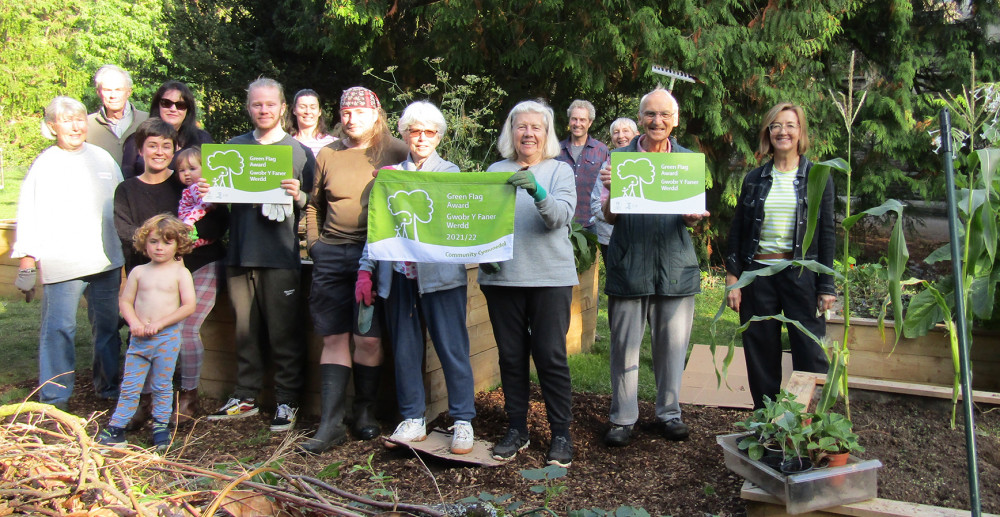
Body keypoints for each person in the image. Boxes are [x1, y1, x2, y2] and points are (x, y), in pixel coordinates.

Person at [356, 101, 476, 455]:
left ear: (438, 136)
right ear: (405, 134)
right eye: (414, 131)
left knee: (453, 349)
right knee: (406, 351)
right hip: (399, 277)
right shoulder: (389, 176)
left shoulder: (450, 173)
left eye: (429, 132)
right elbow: (376, 229)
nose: (421, 138)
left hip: (440, 280)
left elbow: (464, 225)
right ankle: (412, 418)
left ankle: (463, 420)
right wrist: (366, 268)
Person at [599, 88, 709, 447]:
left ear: (674, 120)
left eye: (664, 115)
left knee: (673, 346)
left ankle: (669, 413)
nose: (656, 121)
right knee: (624, 346)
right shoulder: (619, 159)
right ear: (640, 117)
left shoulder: (687, 162)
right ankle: (623, 417)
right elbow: (609, 216)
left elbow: (691, 218)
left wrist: (693, 218)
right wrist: (613, 192)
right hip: (630, 263)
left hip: (675, 265)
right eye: (649, 114)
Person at [300, 86, 408, 454]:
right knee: (333, 337)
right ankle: (329, 424)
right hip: (331, 255)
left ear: (376, 114)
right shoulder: (327, 153)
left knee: (369, 338)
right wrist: (315, 244)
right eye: (346, 112)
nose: (351, 118)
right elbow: (313, 203)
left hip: (374, 257)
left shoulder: (394, 150)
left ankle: (364, 413)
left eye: (360, 112)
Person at [206, 78, 314, 435]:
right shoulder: (232, 149)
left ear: (283, 108)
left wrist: (299, 197)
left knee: (284, 333)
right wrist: (208, 192)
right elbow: (218, 208)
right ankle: (246, 396)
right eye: (257, 104)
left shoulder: (298, 152)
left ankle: (287, 399)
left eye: (270, 104)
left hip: (280, 256)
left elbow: (312, 204)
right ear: (248, 107)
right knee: (243, 331)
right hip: (239, 253)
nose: (263, 110)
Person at [480, 99, 578, 468]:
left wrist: (537, 190)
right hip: (503, 279)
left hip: (550, 278)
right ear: (511, 132)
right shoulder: (496, 170)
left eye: (537, 127)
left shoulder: (560, 172)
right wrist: (482, 250)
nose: (529, 133)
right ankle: (517, 429)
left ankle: (561, 434)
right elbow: (483, 219)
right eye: (522, 127)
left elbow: (559, 218)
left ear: (547, 134)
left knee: (551, 356)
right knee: (511, 357)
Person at [12, 96, 125, 410]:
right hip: (62, 261)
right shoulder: (45, 165)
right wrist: (26, 262)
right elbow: (29, 213)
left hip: (106, 259)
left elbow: (121, 205)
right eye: (66, 120)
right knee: (60, 328)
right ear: (52, 127)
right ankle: (55, 396)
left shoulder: (103, 159)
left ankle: (108, 387)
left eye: (79, 119)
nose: (75, 126)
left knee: (107, 327)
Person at [724, 102, 835, 410]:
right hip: (758, 275)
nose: (783, 131)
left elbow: (827, 233)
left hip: (801, 275)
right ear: (768, 132)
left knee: (809, 351)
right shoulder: (754, 179)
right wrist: (733, 277)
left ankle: (807, 422)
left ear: (800, 133)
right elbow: (739, 230)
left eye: (790, 125)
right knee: (760, 351)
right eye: (776, 125)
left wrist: (826, 285)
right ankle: (767, 422)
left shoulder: (818, 177)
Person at [97, 215, 196, 449]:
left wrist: (161, 323)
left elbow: (188, 306)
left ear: (178, 245)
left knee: (162, 385)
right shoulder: (138, 272)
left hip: (166, 339)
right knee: (131, 385)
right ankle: (117, 428)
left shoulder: (181, 273)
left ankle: (161, 426)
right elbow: (126, 301)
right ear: (144, 243)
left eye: (167, 242)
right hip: (140, 340)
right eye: (153, 242)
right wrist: (133, 323)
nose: (159, 247)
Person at [173, 147, 229, 424]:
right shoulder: (181, 193)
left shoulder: (211, 192)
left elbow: (217, 222)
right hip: (175, 265)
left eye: (192, 169)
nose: (187, 175)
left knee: (187, 328)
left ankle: (188, 395)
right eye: (182, 170)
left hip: (206, 262)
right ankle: (159, 393)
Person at [121, 81, 214, 179]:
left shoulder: (201, 139)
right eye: (166, 103)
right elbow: (127, 180)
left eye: (180, 105)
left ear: (188, 110)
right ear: (158, 106)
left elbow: (212, 178)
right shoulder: (136, 139)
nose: (173, 109)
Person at [556, 100, 610, 233]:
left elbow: (605, 188)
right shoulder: (556, 150)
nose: (577, 124)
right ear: (569, 121)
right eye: (574, 119)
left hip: (591, 222)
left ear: (590, 122)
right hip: (562, 220)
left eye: (582, 120)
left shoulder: (601, 150)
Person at [590, 118, 639, 260]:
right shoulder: (607, 166)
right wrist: (616, 216)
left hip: (640, 240)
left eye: (625, 131)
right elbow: (596, 204)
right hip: (610, 239)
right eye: (616, 132)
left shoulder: (648, 163)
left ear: (636, 134)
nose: (620, 136)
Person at [87, 65, 149, 165]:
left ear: (129, 92)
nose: (113, 96)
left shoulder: (147, 121)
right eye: (107, 90)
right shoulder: (87, 125)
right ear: (98, 92)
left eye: (118, 90)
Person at [290, 89, 337, 157]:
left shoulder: (333, 143)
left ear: (319, 111)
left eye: (313, 107)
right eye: (302, 107)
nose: (308, 112)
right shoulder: (286, 144)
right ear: (294, 110)